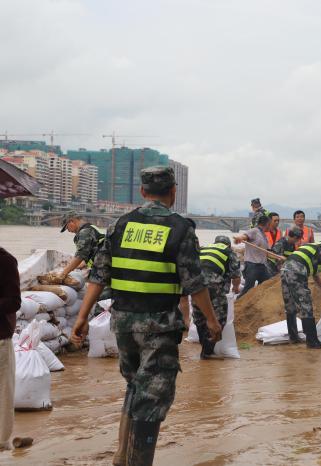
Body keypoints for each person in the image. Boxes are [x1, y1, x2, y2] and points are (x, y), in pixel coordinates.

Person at [70, 166, 222, 466]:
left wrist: (82, 317)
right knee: (152, 397)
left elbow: (98, 275)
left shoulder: (120, 225)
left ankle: (122, 455)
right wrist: (213, 321)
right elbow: (194, 283)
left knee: (135, 385)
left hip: (124, 324)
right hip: (159, 327)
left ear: (142, 192)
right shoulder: (181, 229)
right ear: (174, 193)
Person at [280, 233, 321, 349]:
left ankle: (293, 337)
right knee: (306, 305)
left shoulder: (315, 247)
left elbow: (316, 277)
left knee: (290, 305)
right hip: (297, 271)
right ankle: (312, 342)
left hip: (285, 270)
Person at [193, 236, 241, 359]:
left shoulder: (204, 248)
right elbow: (235, 276)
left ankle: (204, 348)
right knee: (219, 317)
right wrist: (235, 288)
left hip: (195, 282)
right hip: (212, 282)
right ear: (228, 245)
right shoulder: (229, 252)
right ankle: (208, 351)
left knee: (199, 315)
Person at [0, 247, 20, 452]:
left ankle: (1, 441)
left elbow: (14, 301)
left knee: (3, 391)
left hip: (0, 337)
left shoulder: (5, 261)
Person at [234, 213, 273, 296]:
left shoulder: (263, 235)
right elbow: (245, 236)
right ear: (267, 224)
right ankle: (238, 304)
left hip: (262, 266)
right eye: (270, 224)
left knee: (267, 284)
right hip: (252, 265)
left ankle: (257, 301)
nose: (271, 226)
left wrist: (279, 258)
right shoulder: (254, 231)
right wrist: (240, 238)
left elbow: (266, 253)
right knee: (248, 288)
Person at [57, 211, 105, 279]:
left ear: (72, 221)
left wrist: (62, 274)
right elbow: (93, 252)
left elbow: (80, 256)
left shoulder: (84, 232)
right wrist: (75, 266)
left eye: (67, 227)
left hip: (103, 268)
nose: (68, 230)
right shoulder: (91, 227)